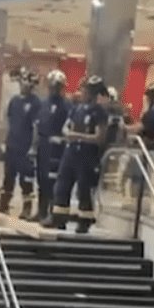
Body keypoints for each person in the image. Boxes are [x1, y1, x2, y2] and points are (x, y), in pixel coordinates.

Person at [48, 75, 110, 234]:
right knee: (62, 185)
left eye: (85, 90)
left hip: (87, 155)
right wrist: (68, 134)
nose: (82, 92)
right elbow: (65, 127)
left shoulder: (99, 112)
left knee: (83, 189)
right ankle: (59, 218)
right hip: (70, 153)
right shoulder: (76, 108)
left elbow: (99, 138)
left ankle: (84, 221)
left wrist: (78, 136)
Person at [0, 67, 41, 218]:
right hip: (12, 145)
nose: (25, 86)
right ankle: (4, 204)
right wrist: (5, 141)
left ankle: (27, 207)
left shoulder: (36, 103)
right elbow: (9, 122)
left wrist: (33, 147)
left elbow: (36, 127)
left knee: (26, 180)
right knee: (8, 177)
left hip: (25, 148)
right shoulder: (15, 101)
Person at [33, 69, 72, 222]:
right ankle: (41, 211)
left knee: (53, 180)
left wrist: (63, 139)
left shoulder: (67, 105)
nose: (54, 89)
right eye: (52, 85)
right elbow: (38, 125)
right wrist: (34, 146)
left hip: (58, 148)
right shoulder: (43, 104)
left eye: (57, 86)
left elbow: (70, 126)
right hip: (43, 146)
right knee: (41, 179)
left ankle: (52, 212)